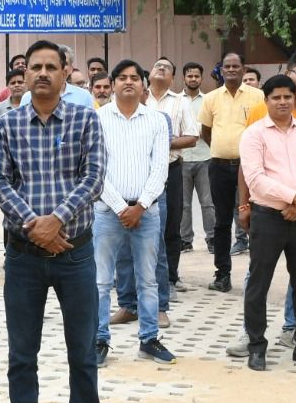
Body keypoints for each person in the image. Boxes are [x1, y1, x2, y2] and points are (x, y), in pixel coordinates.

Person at [0, 40, 109, 403]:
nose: (42, 73)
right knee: (22, 350)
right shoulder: (7, 123)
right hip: (24, 256)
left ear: (64, 73)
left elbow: (94, 177)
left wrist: (56, 220)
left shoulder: (84, 118)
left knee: (82, 346)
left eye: (50, 67)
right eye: (34, 66)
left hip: (75, 254)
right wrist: (35, 226)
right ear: (24, 74)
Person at [229, 53, 296, 351]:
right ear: (266, 100)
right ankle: (255, 345)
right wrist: (292, 197)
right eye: (276, 97)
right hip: (268, 216)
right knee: (258, 282)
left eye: (287, 97)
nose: (282, 102)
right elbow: (254, 176)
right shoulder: (254, 132)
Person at [92, 60, 174, 366]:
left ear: (143, 85)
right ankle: (99, 340)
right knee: (101, 281)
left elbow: (160, 169)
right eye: (122, 78)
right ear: (112, 84)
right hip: (107, 211)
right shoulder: (97, 119)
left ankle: (149, 339)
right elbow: (95, 169)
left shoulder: (156, 120)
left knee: (148, 280)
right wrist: (120, 207)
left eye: (135, 78)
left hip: (147, 212)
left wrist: (140, 206)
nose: (129, 82)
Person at [199, 53, 263, 291]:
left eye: (236, 66)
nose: (232, 69)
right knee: (222, 221)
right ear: (221, 70)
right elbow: (206, 131)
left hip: (251, 167)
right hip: (219, 166)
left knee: (254, 218)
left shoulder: (258, 96)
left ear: (243, 69)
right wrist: (222, 148)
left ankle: (255, 275)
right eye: (227, 66)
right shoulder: (211, 98)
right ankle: (222, 275)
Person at [143, 57, 197, 298]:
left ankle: (170, 279)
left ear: (173, 78)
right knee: (142, 224)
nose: (161, 68)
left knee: (172, 225)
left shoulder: (180, 102)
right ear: (150, 73)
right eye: (157, 65)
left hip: (171, 169)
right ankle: (140, 278)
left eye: (167, 67)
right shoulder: (140, 97)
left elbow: (192, 137)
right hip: (142, 171)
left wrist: (160, 142)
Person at [179, 62, 216, 254]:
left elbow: (213, 126)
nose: (193, 79)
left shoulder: (209, 100)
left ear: (201, 78)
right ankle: (185, 240)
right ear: (184, 78)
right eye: (189, 76)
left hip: (205, 157)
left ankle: (212, 238)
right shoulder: (176, 101)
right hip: (182, 158)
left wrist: (195, 132)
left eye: (196, 76)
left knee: (208, 203)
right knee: (183, 204)